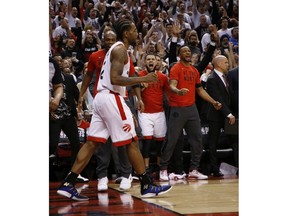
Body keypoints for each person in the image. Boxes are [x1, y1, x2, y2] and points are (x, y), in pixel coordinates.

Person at [57, 18, 172, 201]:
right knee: (132, 141)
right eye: (134, 30)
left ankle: (68, 182)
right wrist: (143, 80)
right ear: (126, 33)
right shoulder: (119, 50)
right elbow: (116, 79)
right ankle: (146, 184)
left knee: (92, 142)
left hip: (101, 98)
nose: (137, 33)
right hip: (111, 97)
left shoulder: (116, 50)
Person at [159, 45, 222, 181]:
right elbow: (172, 85)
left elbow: (200, 90)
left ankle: (194, 169)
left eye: (189, 51)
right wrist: (177, 91)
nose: (187, 53)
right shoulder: (176, 68)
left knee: (197, 139)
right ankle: (163, 169)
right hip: (177, 108)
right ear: (179, 54)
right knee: (172, 140)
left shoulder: (194, 70)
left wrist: (213, 101)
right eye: (184, 51)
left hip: (191, 108)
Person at [137, 53, 170, 176]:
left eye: (153, 59)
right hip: (144, 113)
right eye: (148, 59)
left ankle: (160, 168)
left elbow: (168, 92)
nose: (151, 61)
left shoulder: (162, 77)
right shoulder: (139, 76)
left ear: (157, 63)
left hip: (159, 113)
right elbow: (132, 92)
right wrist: (142, 87)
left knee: (160, 141)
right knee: (147, 141)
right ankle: (145, 169)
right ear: (145, 62)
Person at [205, 55, 236, 177]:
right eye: (226, 62)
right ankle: (214, 168)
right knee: (213, 142)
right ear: (219, 64)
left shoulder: (225, 77)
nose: (228, 64)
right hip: (215, 116)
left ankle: (236, 164)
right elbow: (217, 98)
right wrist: (228, 114)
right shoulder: (212, 78)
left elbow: (229, 96)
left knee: (234, 141)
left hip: (226, 114)